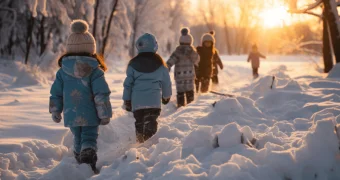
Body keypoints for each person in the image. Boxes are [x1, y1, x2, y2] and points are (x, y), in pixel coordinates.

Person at [49, 20, 112, 172]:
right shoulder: (95, 71)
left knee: (77, 137)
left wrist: (55, 110)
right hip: (90, 114)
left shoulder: (62, 71)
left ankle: (79, 162)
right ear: (91, 49)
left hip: (71, 114)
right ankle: (88, 156)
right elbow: (101, 94)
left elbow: (56, 93)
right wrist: (104, 114)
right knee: (89, 137)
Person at [123, 33, 172, 143]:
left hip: (137, 102)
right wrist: (166, 96)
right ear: (155, 46)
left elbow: (128, 84)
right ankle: (149, 147)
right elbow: (166, 82)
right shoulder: (160, 64)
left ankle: (140, 144)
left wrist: (127, 100)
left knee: (139, 123)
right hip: (153, 102)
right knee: (151, 122)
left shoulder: (132, 64)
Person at [167, 28, 199, 107]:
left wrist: (167, 66)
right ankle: (190, 106)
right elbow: (197, 60)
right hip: (189, 76)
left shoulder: (177, 51)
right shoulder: (192, 51)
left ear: (180, 42)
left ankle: (180, 105)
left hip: (179, 76)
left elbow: (171, 60)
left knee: (180, 92)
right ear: (190, 42)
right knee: (190, 91)